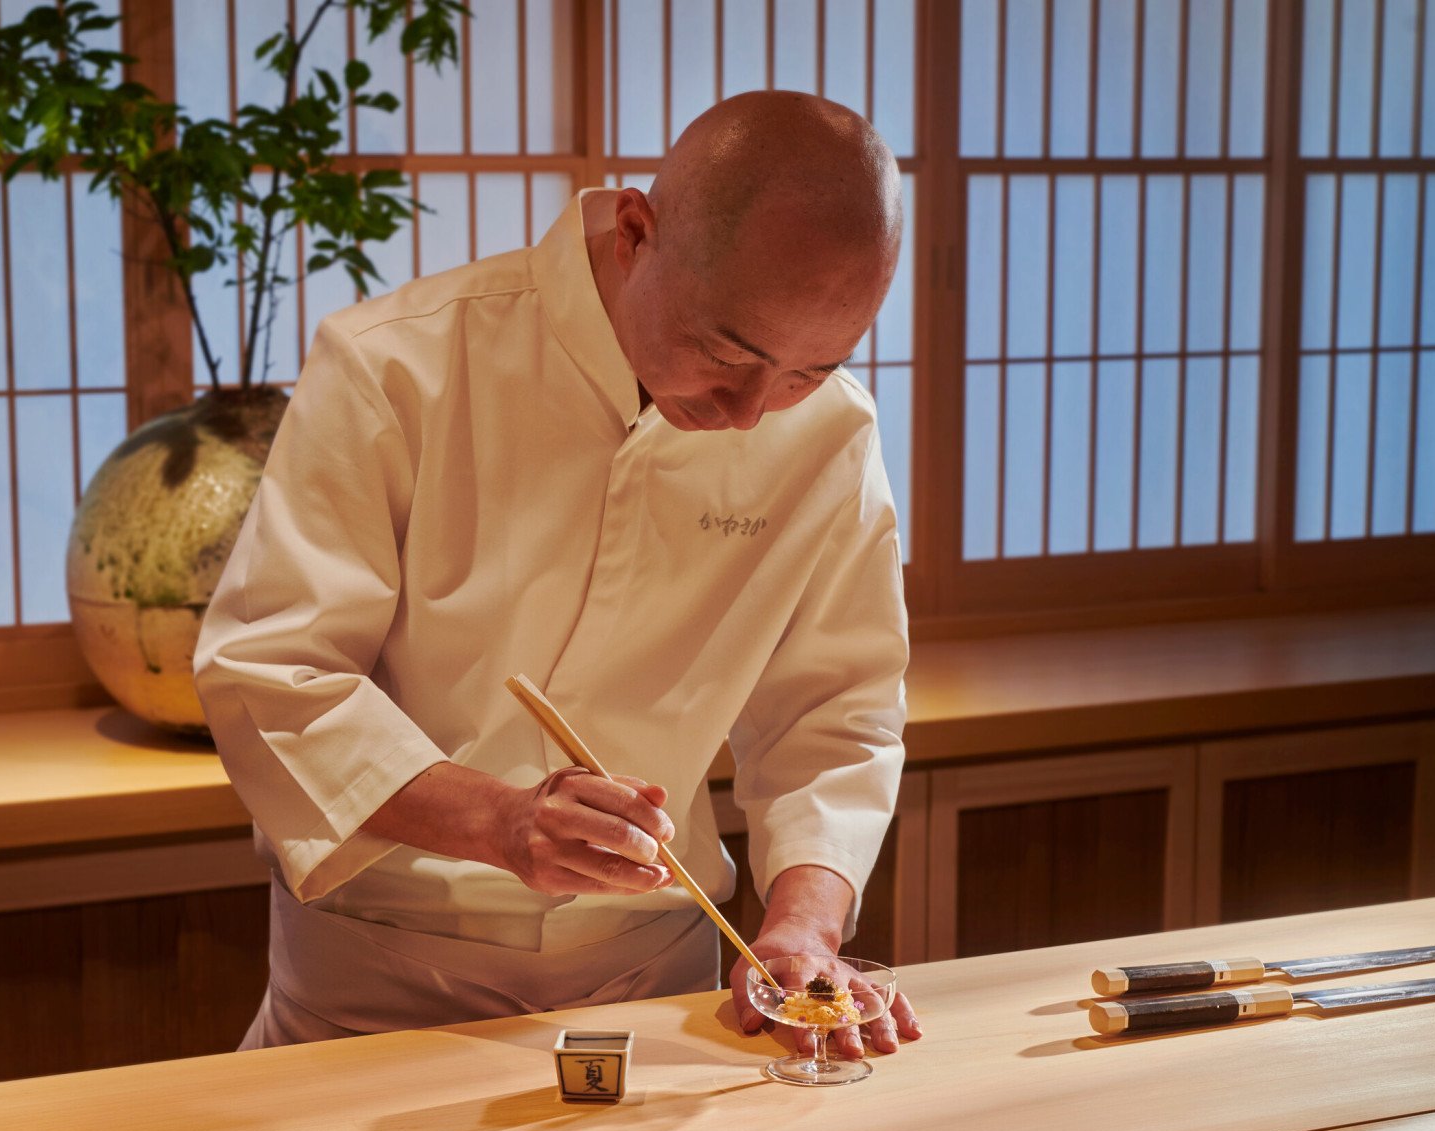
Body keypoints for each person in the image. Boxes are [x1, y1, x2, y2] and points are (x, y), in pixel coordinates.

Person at [193, 90, 922, 1061]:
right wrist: (499, 822)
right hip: (379, 971)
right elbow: (272, 672)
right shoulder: (395, 364)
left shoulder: (831, 431)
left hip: (654, 976)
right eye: (726, 352)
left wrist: (804, 924)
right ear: (635, 234)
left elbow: (837, 711)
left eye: (809, 370)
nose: (752, 412)